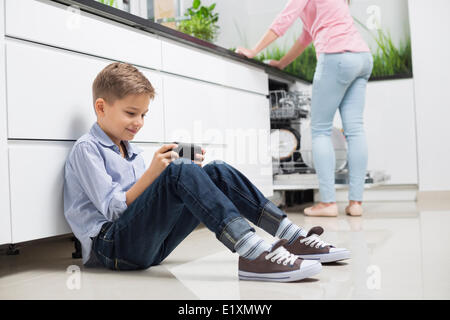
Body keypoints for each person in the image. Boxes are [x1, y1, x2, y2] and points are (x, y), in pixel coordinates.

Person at [63, 62, 350, 283]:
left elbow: (144, 209)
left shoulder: (131, 151)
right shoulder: (87, 149)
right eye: (130, 113)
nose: (138, 122)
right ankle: (252, 253)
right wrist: (156, 175)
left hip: (149, 247)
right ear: (101, 107)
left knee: (216, 172)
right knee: (176, 172)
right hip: (111, 249)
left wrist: (191, 182)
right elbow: (114, 211)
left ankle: (291, 236)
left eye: (143, 115)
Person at [236, 0, 373, 217]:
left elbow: (283, 21)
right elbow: (305, 37)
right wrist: (282, 63)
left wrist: (254, 51)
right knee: (355, 129)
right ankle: (356, 203)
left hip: (335, 56)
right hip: (362, 57)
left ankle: (328, 203)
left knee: (320, 130)